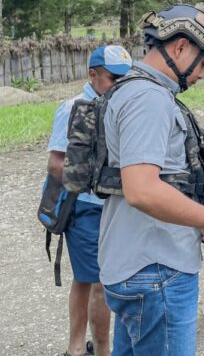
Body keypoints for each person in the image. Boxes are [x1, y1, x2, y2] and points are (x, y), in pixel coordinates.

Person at [98, 3, 204, 355]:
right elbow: (142, 189)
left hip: (133, 264)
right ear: (181, 47)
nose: (202, 74)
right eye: (203, 62)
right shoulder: (149, 99)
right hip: (157, 272)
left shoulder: (129, 88)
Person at [47, 45, 132, 356]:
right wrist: (98, 182)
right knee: (95, 280)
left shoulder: (121, 106)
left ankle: (86, 347)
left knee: (95, 279)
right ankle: (94, 350)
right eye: (114, 78)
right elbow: (56, 164)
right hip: (85, 208)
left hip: (116, 207)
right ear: (92, 75)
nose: (120, 85)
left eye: (126, 79)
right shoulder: (73, 107)